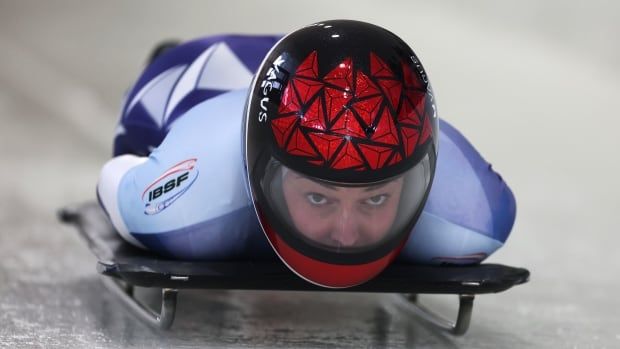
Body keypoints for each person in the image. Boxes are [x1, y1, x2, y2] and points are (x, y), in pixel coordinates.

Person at [97, 21, 516, 288]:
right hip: (195, 78)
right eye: (319, 196)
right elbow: (114, 177)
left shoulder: (475, 216)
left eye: (375, 198)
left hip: (302, 80)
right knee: (134, 132)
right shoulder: (181, 208)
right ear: (263, 175)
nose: (346, 236)